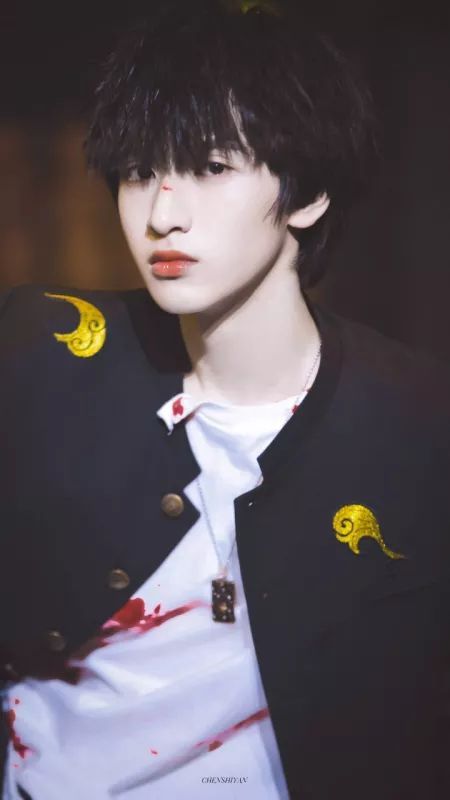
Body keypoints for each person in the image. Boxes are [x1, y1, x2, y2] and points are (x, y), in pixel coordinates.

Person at [1, 1, 450, 798]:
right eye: (139, 172)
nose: (162, 216)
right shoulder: (39, 352)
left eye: (210, 167)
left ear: (307, 194)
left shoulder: (416, 425)